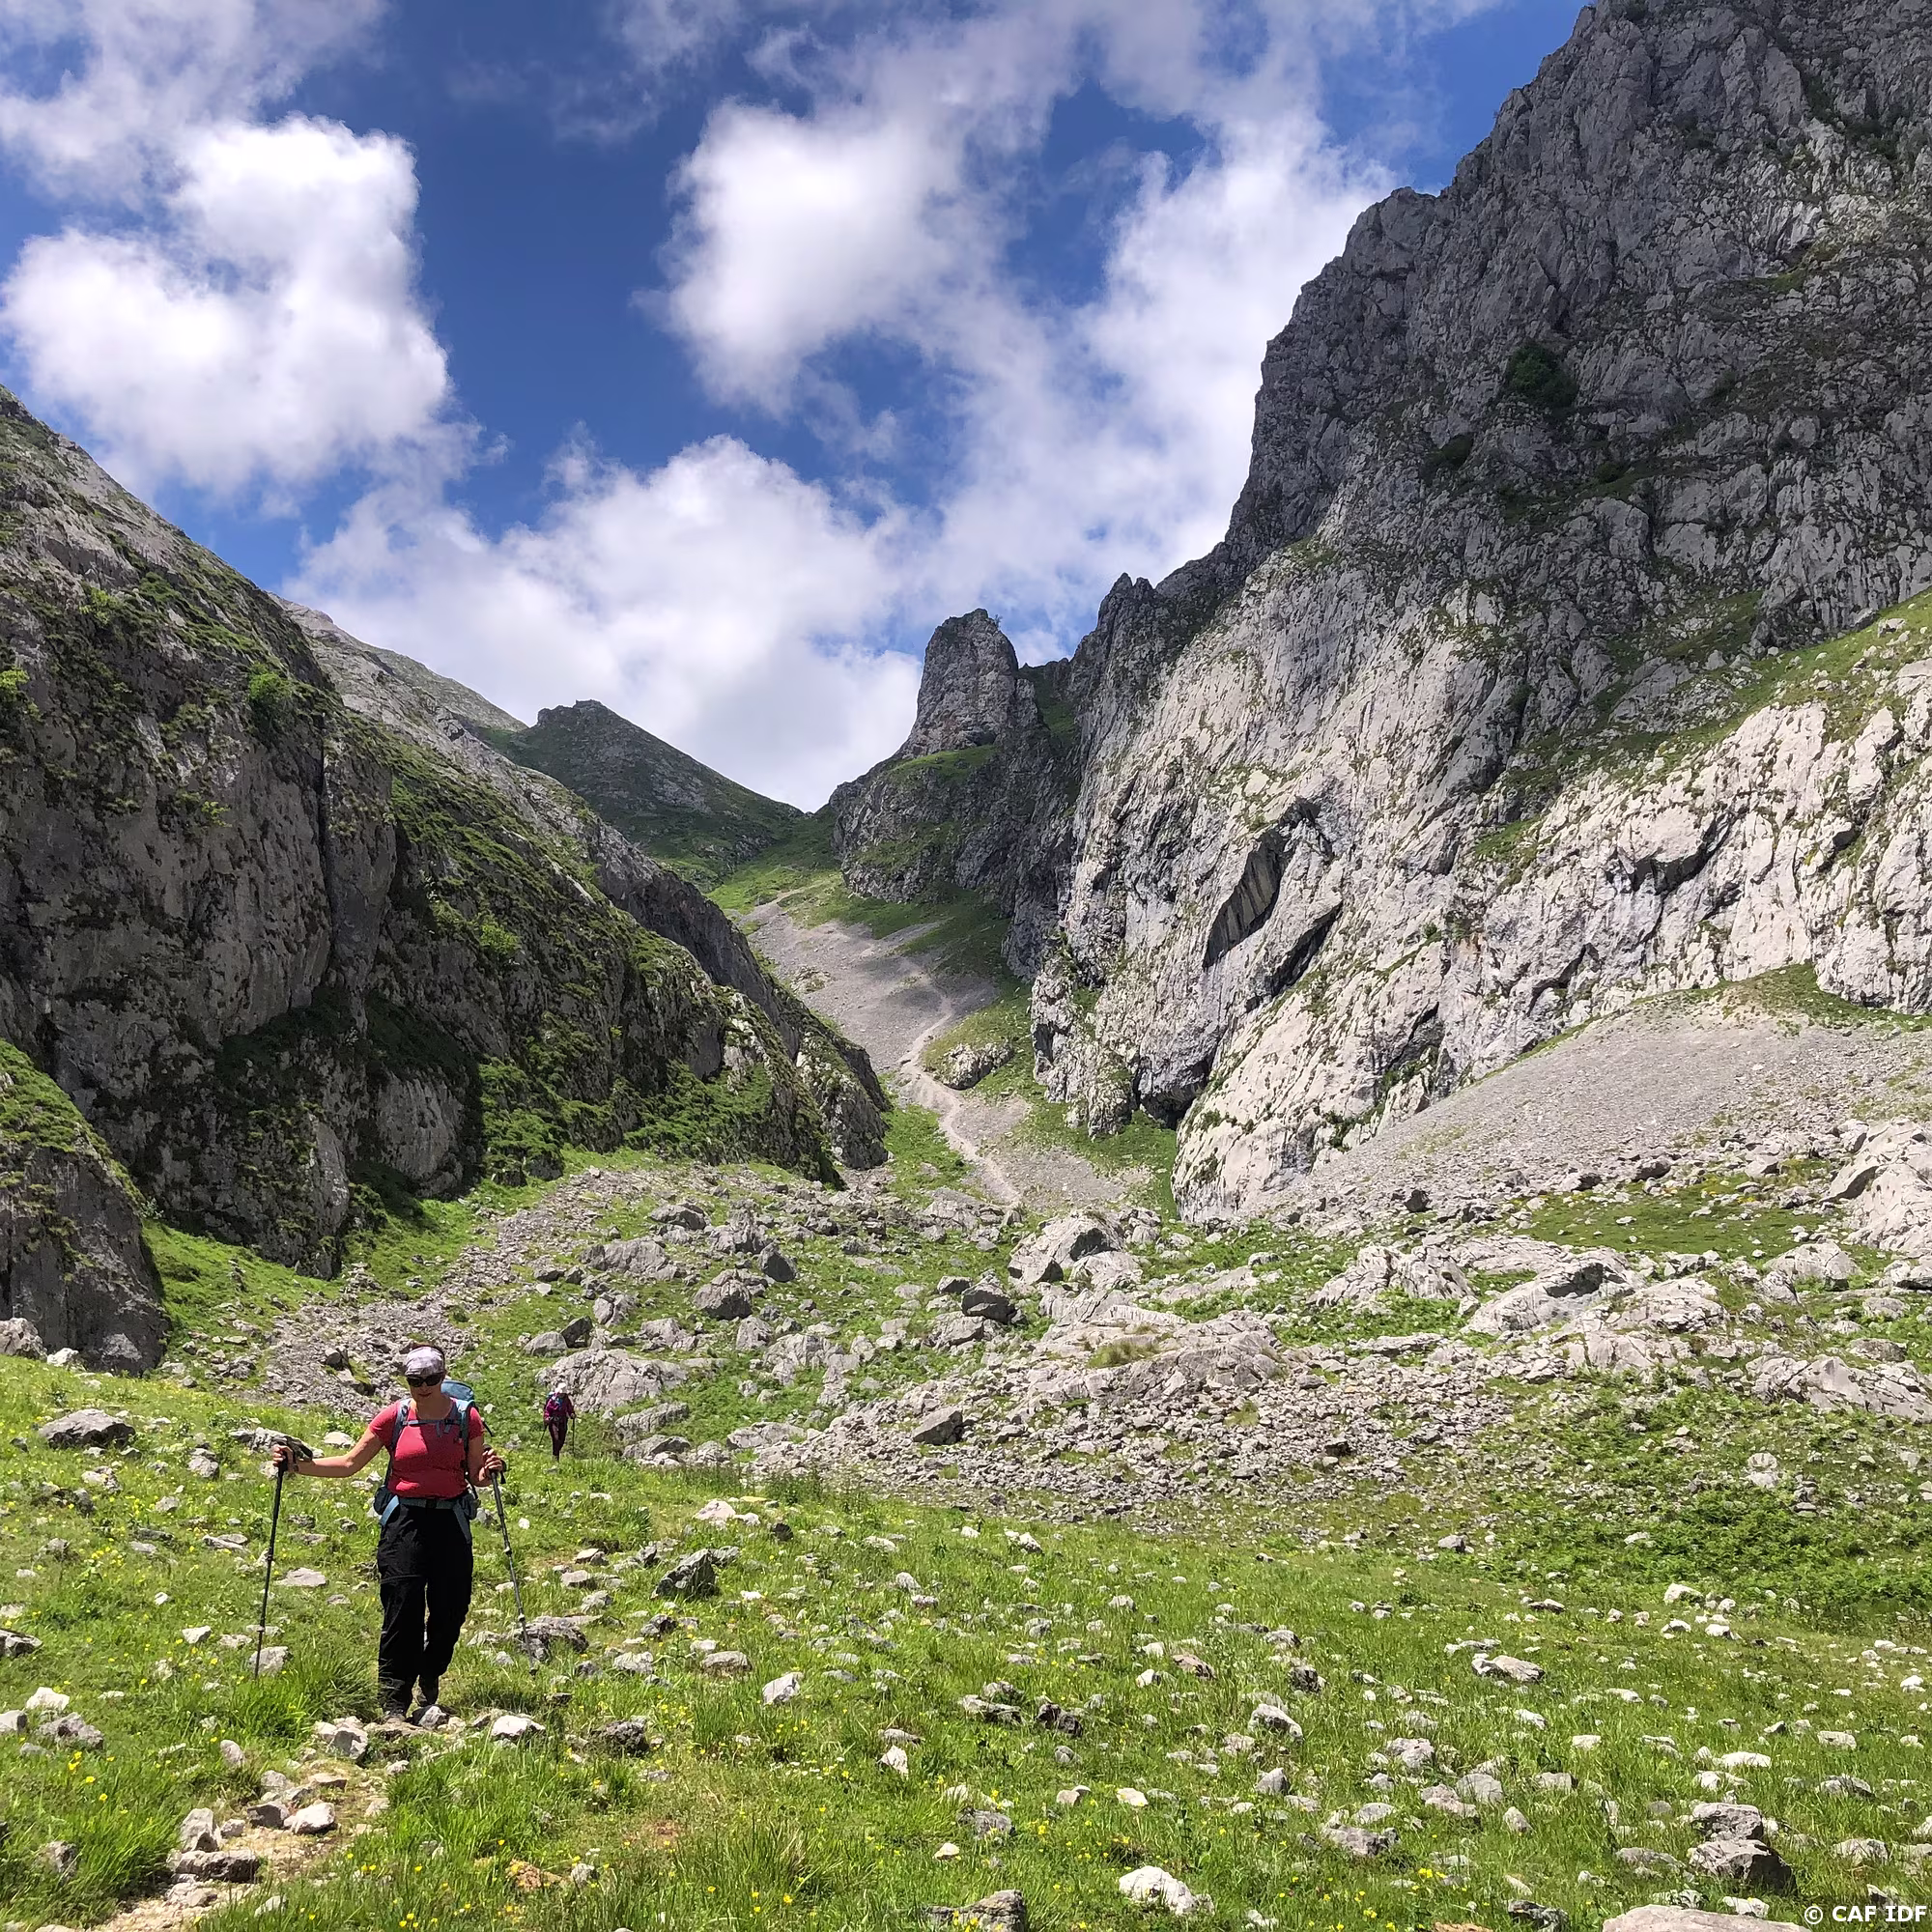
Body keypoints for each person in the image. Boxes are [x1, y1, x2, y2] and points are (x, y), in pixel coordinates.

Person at [271, 1347, 504, 1718]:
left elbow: (476, 1474)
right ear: (407, 1381)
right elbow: (349, 1463)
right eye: (415, 1381)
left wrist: (489, 1471)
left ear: (443, 1377)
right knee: (402, 1607)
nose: (423, 1387)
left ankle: (430, 1670)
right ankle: (394, 1700)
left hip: (450, 1520)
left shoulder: (466, 1417)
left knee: (451, 1610)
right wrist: (297, 1466)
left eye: (431, 1379)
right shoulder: (393, 1417)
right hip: (404, 1522)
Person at [542, 1386, 577, 1462]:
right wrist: (547, 1417)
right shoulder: (552, 1399)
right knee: (556, 1439)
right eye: (560, 1393)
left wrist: (572, 1414)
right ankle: (555, 1458)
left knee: (562, 1440)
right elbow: (548, 1410)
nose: (561, 1394)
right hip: (553, 1422)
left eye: (562, 1393)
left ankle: (555, 1454)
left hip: (563, 1421)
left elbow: (570, 1409)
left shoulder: (566, 1400)